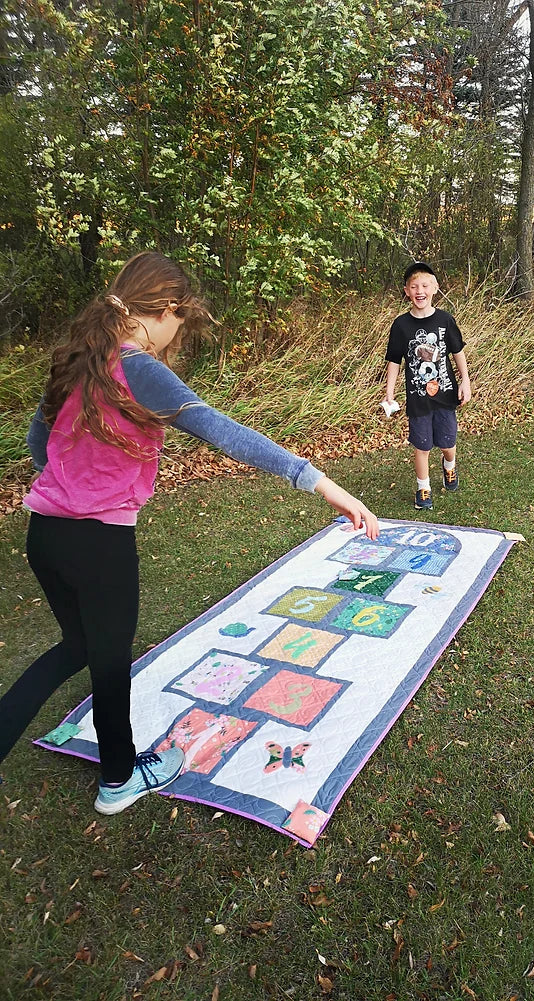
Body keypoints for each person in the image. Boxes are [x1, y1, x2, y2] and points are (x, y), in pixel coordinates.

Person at [0, 251, 378, 815]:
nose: (172, 338)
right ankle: (119, 780)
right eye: (177, 323)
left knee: (75, 647)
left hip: (45, 534)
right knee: (108, 664)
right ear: (164, 309)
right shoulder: (137, 367)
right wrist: (326, 485)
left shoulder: (77, 360)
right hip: (97, 545)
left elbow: (40, 446)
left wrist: (74, 479)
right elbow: (225, 433)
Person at [384, 262, 471, 510]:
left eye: (424, 285)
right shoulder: (401, 325)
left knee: (447, 443)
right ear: (407, 291)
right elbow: (393, 360)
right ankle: (424, 488)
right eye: (414, 286)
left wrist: (465, 380)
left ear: (434, 288)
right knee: (421, 446)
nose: (419, 290)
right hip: (418, 400)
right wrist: (389, 393)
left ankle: (449, 466)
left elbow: (457, 351)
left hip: (445, 396)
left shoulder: (445, 320)